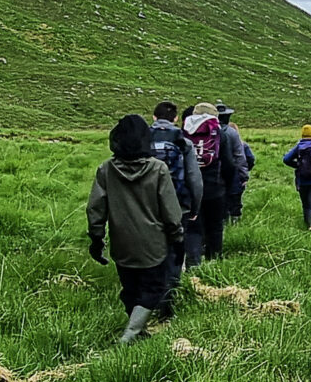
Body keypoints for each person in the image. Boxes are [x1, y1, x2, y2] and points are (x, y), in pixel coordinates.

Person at [88, 114, 187, 344]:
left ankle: (137, 331)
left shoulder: (106, 169)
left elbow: (95, 209)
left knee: (130, 289)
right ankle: (130, 335)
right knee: (153, 289)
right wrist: (177, 236)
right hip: (154, 244)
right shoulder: (158, 169)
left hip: (122, 244)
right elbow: (171, 211)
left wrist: (96, 238)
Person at [146, 101, 203, 296]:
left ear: (154, 117)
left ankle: (150, 289)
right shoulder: (183, 141)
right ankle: (171, 291)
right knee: (176, 247)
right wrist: (194, 207)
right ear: (176, 119)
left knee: (151, 245)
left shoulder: (143, 139)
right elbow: (194, 179)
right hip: (179, 203)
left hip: (147, 204)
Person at [182, 102, 237, 262]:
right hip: (215, 187)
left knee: (193, 227)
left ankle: (193, 262)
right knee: (215, 226)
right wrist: (226, 184)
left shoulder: (183, 132)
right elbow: (228, 163)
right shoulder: (220, 133)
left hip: (190, 188)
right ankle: (214, 261)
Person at [215, 105, 252, 223]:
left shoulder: (210, 132)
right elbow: (240, 156)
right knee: (234, 202)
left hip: (213, 174)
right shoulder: (232, 133)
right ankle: (234, 225)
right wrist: (244, 175)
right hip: (232, 174)